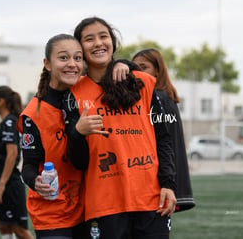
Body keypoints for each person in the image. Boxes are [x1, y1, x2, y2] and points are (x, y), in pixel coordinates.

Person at [62, 17, 177, 239]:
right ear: (80, 49)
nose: (98, 43)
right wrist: (78, 133)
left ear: (112, 42)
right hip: (105, 205)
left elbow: (163, 138)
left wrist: (169, 183)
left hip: (151, 200)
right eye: (89, 39)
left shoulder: (143, 82)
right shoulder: (73, 94)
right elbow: (78, 162)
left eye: (103, 36)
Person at [18, 33, 129, 239]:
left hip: (88, 209)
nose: (72, 64)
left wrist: (122, 64)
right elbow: (28, 167)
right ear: (47, 64)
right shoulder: (34, 114)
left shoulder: (87, 94)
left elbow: (107, 67)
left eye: (77, 58)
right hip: (53, 213)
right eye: (63, 58)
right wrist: (36, 182)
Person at [132, 48, 195, 212]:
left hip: (159, 181)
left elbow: (160, 142)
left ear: (157, 70)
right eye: (134, 68)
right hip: (167, 179)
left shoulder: (157, 97)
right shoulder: (166, 96)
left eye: (143, 67)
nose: (137, 73)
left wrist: (167, 181)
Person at [0, 85, 34, 239]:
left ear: (1, 102)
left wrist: (1, 186)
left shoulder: (10, 122)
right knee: (4, 226)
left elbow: (12, 153)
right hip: (0, 181)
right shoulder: (4, 123)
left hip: (9, 184)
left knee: (18, 228)